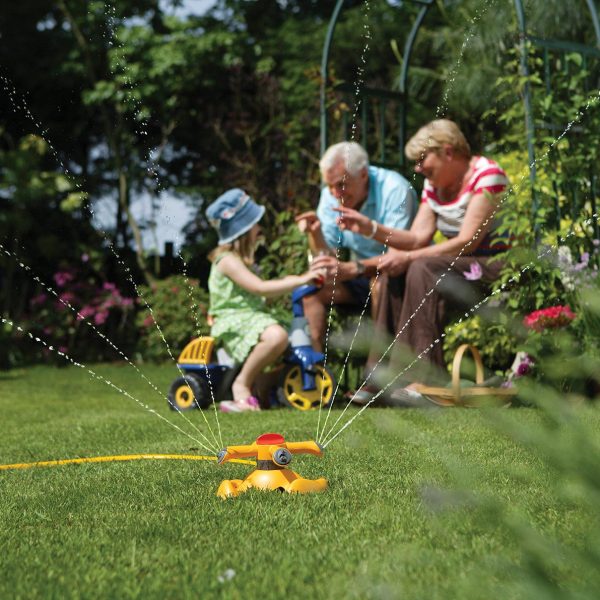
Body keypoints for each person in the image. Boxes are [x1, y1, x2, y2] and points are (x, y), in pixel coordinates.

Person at [329, 119, 510, 402]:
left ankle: (426, 379)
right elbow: (417, 237)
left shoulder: (489, 176)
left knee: (420, 266)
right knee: (393, 270)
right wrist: (369, 228)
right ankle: (379, 376)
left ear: (448, 152)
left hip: (492, 267)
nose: (417, 167)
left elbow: (467, 242)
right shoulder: (434, 184)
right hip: (455, 267)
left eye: (423, 159)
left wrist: (408, 257)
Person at [206, 188, 321, 413]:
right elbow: (260, 288)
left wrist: (295, 279)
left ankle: (266, 389)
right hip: (234, 320)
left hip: (251, 317)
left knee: (293, 334)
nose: (259, 228)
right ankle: (242, 385)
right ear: (244, 228)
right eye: (255, 223)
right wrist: (299, 280)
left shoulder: (243, 261)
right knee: (276, 335)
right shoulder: (227, 260)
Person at [295, 141, 417, 351]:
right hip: (361, 274)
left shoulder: (395, 190)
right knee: (310, 291)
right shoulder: (330, 195)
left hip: (404, 275)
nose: (334, 193)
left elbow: (395, 258)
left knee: (380, 285)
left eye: (341, 185)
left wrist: (352, 268)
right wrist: (315, 234)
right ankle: (315, 373)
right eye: (329, 185)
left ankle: (381, 370)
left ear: (363, 175)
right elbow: (327, 252)